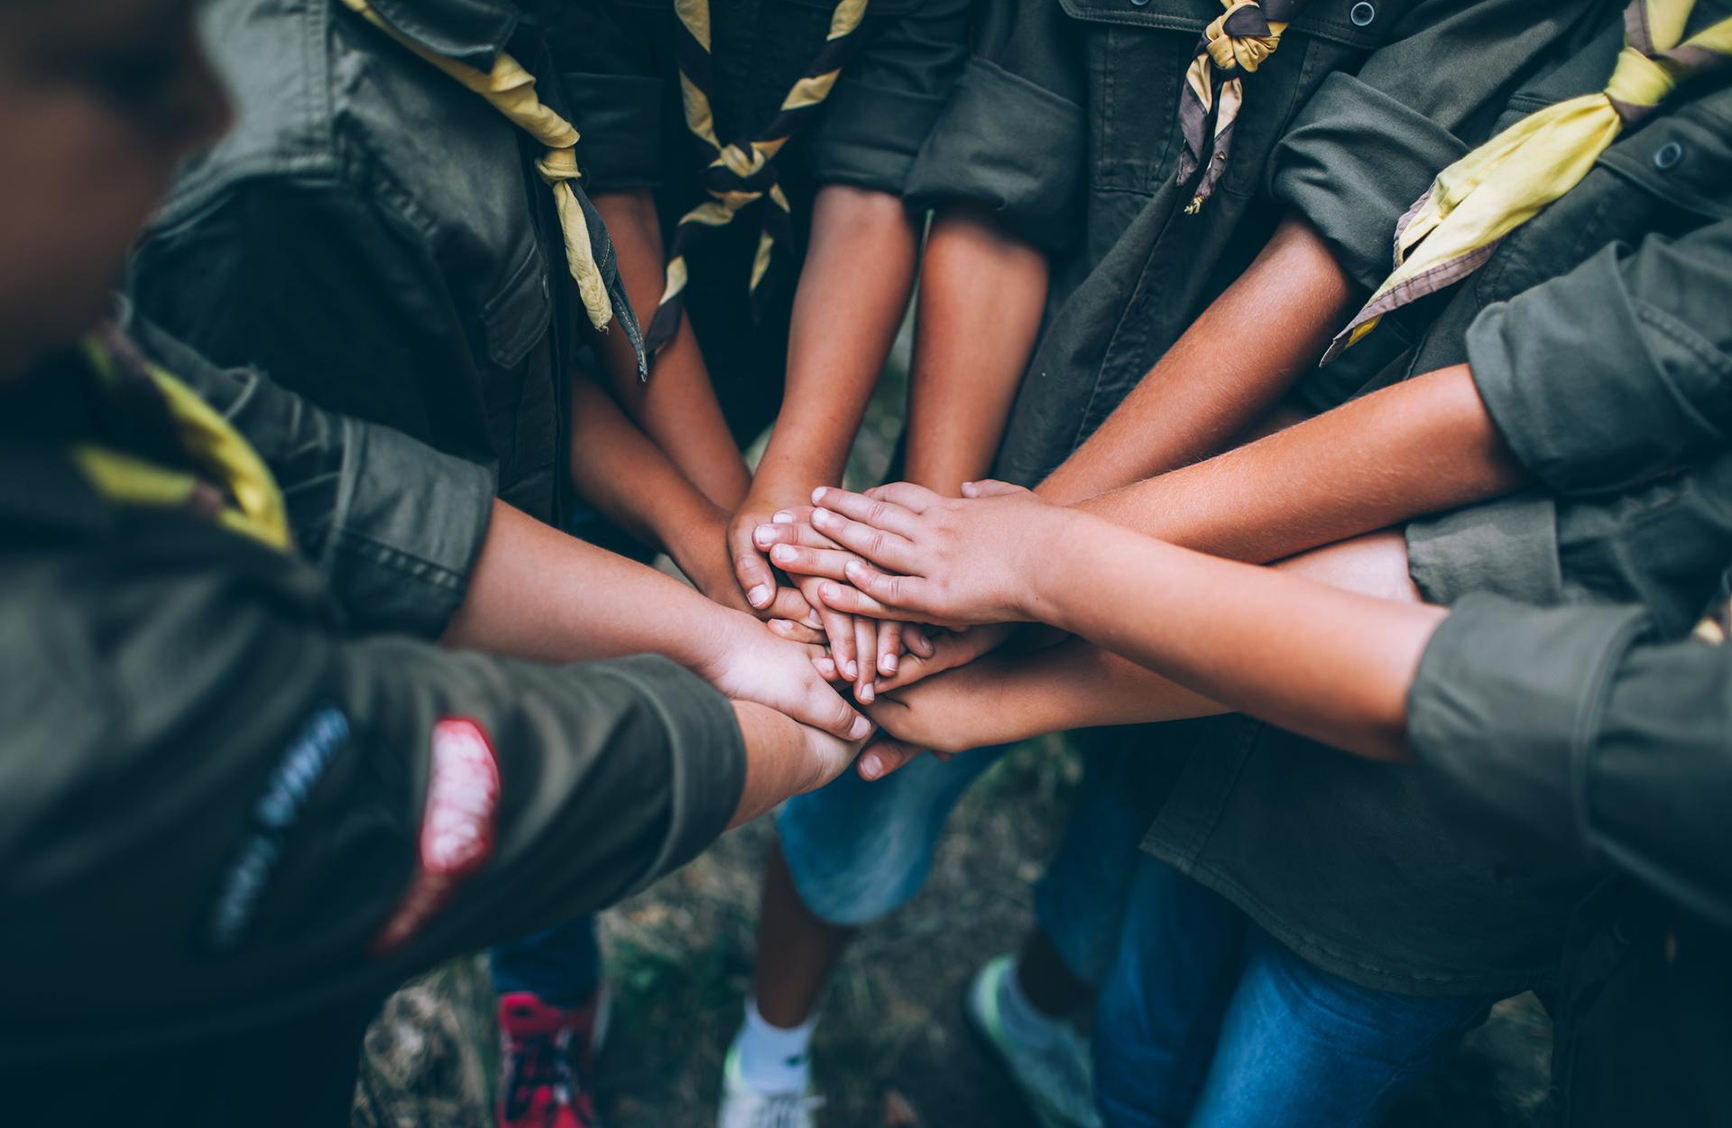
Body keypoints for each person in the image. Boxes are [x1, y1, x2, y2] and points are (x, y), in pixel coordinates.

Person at [778, 0, 1732, 1118]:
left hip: (1385, 776)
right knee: (1137, 1041)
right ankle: (965, 1031)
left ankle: (1032, 1014)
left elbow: (1495, 584)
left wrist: (1036, 578)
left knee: (1259, 1073)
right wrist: (980, 565)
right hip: (1205, 603)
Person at [0, 3, 867, 1127]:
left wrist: (717, 628)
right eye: (127, 74)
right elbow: (413, 791)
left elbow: (323, 477)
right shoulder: (285, 176)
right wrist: (792, 726)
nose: (203, 112)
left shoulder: (40, 330)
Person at [783, 480, 1732, 1125]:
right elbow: (1442, 582)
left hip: (1438, 902)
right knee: (1137, 1050)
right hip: (1250, 781)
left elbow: (1482, 685)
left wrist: (1048, 571)